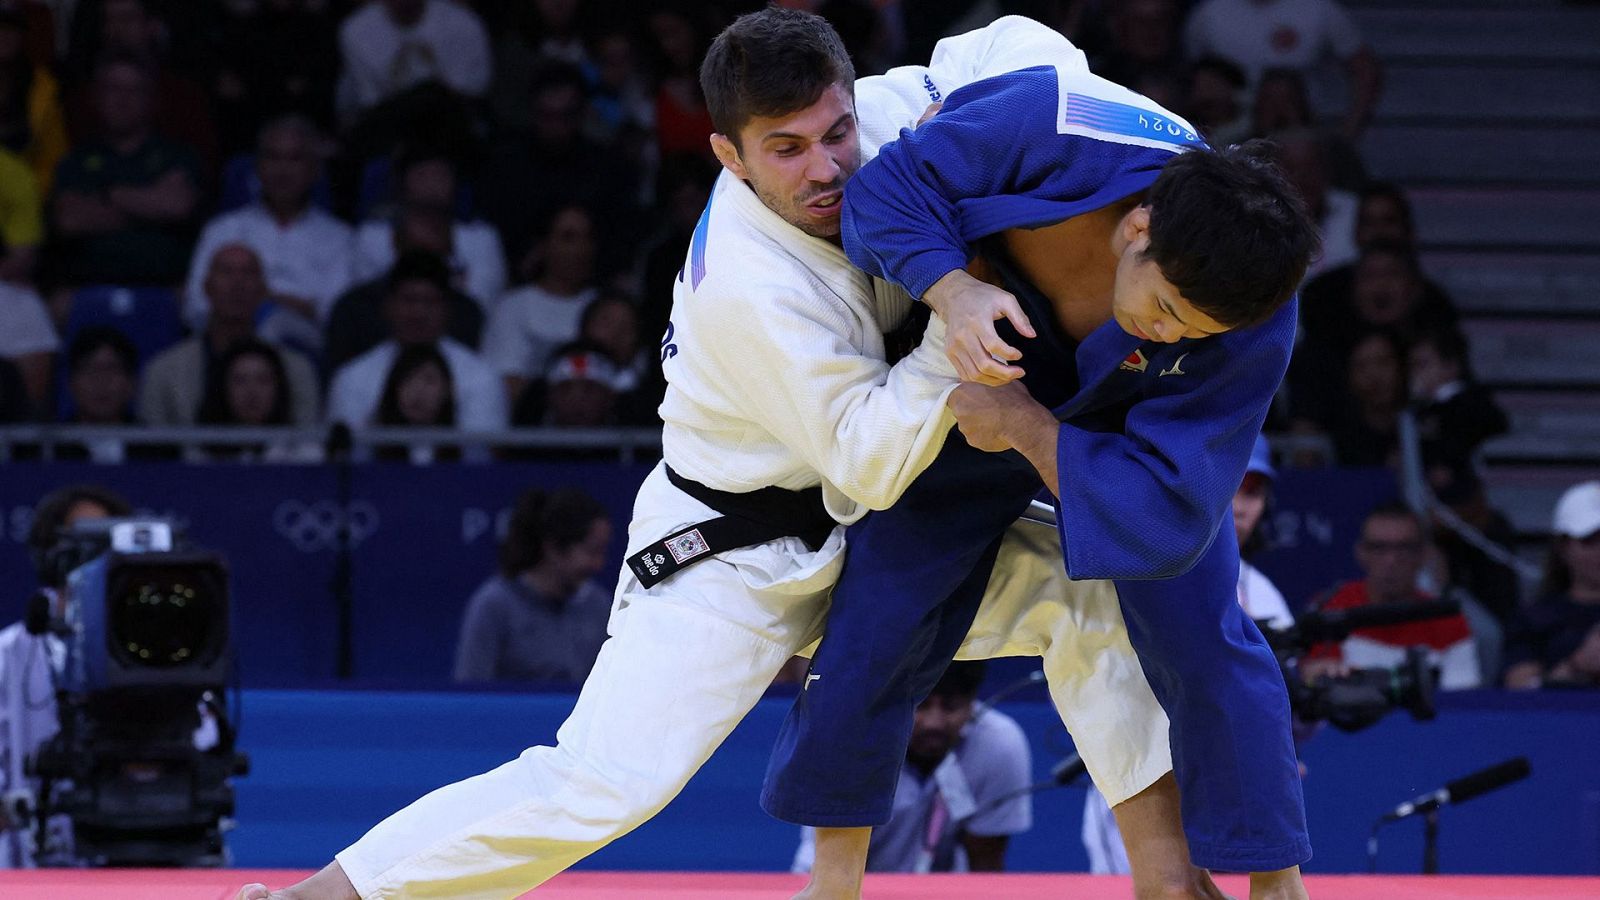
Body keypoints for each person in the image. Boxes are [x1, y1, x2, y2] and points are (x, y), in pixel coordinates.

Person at [231, 13, 1180, 900]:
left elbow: (1015, 44)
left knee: (1096, 594)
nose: (828, 168)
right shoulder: (749, 282)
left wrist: (1167, 153)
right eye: (787, 149)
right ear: (727, 155)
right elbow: (870, 461)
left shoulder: (886, 115)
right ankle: (335, 894)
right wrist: (957, 301)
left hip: (880, 532)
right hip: (735, 552)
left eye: (835, 131)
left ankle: (1169, 879)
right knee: (604, 784)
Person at [764, 17, 1318, 899]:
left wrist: (1027, 426)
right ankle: (832, 881)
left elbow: (1168, 516)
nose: (1170, 330)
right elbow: (885, 192)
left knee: (1206, 627)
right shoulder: (1045, 122)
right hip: (991, 347)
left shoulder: (1254, 316)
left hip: (1122, 420)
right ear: (1138, 225)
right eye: (1167, 305)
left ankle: (1270, 877)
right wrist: (954, 290)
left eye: (1193, 330)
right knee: (882, 603)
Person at [1081, 435, 1295, 875]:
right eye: (1233, 484)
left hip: (1230, 784)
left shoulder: (1266, 596)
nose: (1239, 505)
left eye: (1253, 492)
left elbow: (1282, 708)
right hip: (1143, 779)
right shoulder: (1121, 564)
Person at [792, 661, 1030, 874]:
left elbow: (986, 862)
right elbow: (832, 870)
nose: (934, 723)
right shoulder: (850, 741)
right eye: (921, 705)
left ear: (972, 701)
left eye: (950, 706)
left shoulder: (999, 745)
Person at [1, 484, 131, 867]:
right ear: (49, 555)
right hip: (28, 873)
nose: (97, 553)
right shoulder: (7, 656)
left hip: (139, 872)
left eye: (107, 540)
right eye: (83, 539)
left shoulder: (167, 656)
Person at [182, 116, 355, 327]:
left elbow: (333, 315)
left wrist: (259, 301)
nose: (282, 170)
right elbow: (196, 307)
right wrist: (288, 303)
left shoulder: (339, 237)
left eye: (295, 159)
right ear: (256, 167)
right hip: (229, 340)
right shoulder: (222, 229)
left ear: (315, 170)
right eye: (273, 157)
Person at [1304, 503, 1483, 689]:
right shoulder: (1331, 610)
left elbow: (1460, 701)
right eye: (1379, 548)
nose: (1391, 560)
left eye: (1403, 548)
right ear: (1361, 553)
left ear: (1423, 555)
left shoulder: (1448, 620)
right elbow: (1318, 686)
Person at [142, 243, 321, 427]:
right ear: (207, 288)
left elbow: (307, 444)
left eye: (248, 273)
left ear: (263, 291)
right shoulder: (163, 370)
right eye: (226, 272)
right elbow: (154, 450)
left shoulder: (297, 370)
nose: (238, 284)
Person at [326, 251, 505, 434]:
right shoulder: (353, 378)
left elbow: (483, 456)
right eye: (409, 300)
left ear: (448, 308)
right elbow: (344, 456)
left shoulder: (480, 378)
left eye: (430, 301)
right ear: (388, 305)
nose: (419, 313)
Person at [453, 487, 612, 684]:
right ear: (553, 548)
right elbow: (470, 693)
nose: (599, 564)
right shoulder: (494, 605)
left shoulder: (600, 606)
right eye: (592, 551)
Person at [1504, 481, 1600, 689]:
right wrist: (1577, 665)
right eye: (1589, 541)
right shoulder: (1533, 618)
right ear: (1563, 548)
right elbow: (1519, 688)